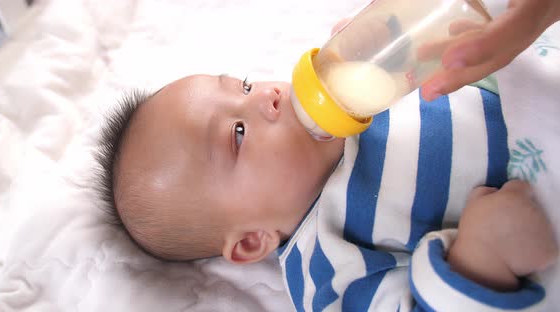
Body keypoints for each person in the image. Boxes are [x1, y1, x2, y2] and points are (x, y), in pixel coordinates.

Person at [94, 1, 560, 311]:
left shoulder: (363, 98)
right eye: (237, 132)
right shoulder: (326, 263)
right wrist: (480, 259)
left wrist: (396, 41)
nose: (267, 97)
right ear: (253, 241)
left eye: (244, 86)